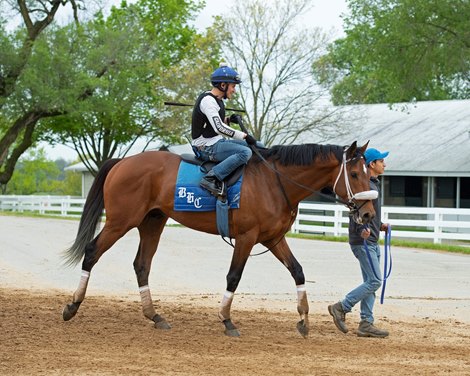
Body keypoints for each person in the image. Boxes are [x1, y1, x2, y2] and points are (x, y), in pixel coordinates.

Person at [328, 147, 390, 338]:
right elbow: (355, 211)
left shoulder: (371, 184)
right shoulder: (365, 187)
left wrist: (379, 225)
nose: (384, 164)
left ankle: (366, 323)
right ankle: (342, 307)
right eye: (381, 161)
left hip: (371, 239)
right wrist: (361, 229)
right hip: (363, 241)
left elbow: (367, 213)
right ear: (372, 164)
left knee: (370, 282)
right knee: (374, 281)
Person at [191, 63, 257, 196]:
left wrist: (229, 120)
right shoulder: (208, 101)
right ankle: (211, 178)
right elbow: (219, 128)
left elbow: (214, 123)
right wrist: (244, 136)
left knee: (258, 146)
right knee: (245, 152)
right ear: (223, 85)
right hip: (205, 147)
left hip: (216, 142)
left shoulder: (217, 100)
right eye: (233, 86)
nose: (234, 90)